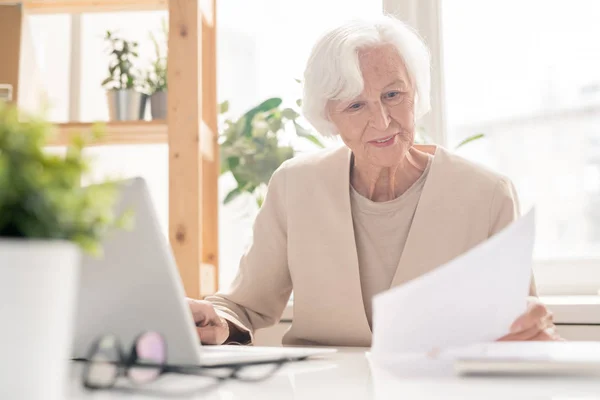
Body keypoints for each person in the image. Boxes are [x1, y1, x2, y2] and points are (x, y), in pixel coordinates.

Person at [188, 15, 561, 347]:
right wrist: (217, 321)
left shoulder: (487, 195)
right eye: (355, 105)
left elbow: (523, 324)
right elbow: (243, 306)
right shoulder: (294, 186)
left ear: (415, 93)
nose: (382, 121)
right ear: (328, 116)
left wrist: (531, 330)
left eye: (393, 95)